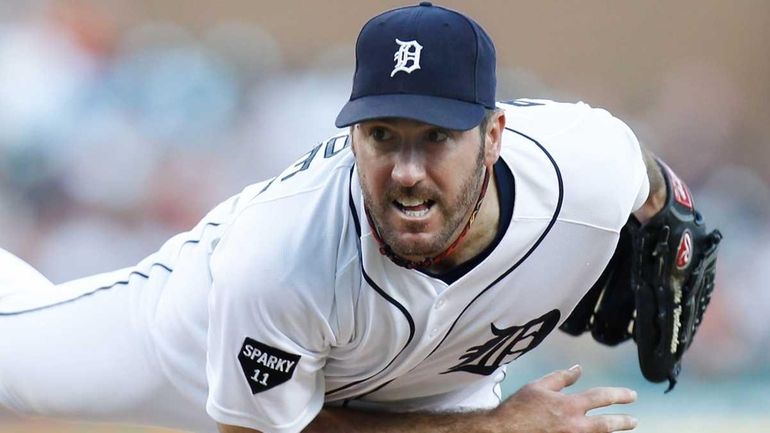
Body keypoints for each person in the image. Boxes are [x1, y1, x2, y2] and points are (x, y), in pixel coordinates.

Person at [0, 3, 716, 433]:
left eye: (436, 137)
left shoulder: (584, 168)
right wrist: (491, 428)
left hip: (435, 387)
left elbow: (646, 179)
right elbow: (269, 428)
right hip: (192, 348)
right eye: (382, 137)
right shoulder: (278, 259)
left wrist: (674, 218)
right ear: (352, 135)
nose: (406, 170)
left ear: (493, 136)